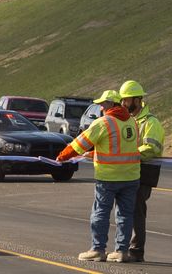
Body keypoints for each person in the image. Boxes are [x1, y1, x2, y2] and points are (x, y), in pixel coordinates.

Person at [56, 90, 145, 263]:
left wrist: (62, 157)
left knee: (100, 213)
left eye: (103, 104)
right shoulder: (132, 122)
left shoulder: (104, 123)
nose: (101, 107)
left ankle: (97, 249)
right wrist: (95, 153)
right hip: (131, 176)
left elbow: (79, 144)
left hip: (109, 177)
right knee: (125, 215)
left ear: (112, 104)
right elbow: (121, 147)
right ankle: (121, 251)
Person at [118, 81, 165, 262]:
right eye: (122, 101)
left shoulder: (151, 122)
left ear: (137, 100)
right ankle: (126, 248)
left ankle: (136, 251)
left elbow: (152, 148)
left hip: (144, 172)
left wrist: (129, 154)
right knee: (126, 209)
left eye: (126, 100)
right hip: (130, 170)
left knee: (137, 210)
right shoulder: (131, 121)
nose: (123, 104)